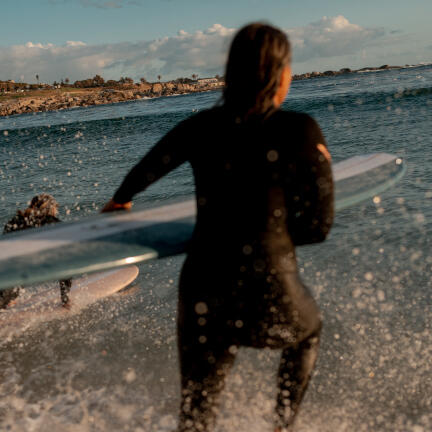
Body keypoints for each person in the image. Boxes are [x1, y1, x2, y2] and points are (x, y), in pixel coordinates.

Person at [102, 23, 334, 432]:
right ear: (280, 73)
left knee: (196, 415)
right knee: (307, 332)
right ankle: (282, 425)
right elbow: (318, 228)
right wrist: (273, 234)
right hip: (271, 290)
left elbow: (145, 170)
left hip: (205, 292)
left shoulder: (201, 126)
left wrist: (120, 202)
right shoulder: (300, 130)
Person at [1, 194, 72, 309]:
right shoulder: (52, 223)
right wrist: (65, 299)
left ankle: (11, 299)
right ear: (51, 209)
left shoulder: (15, 220)